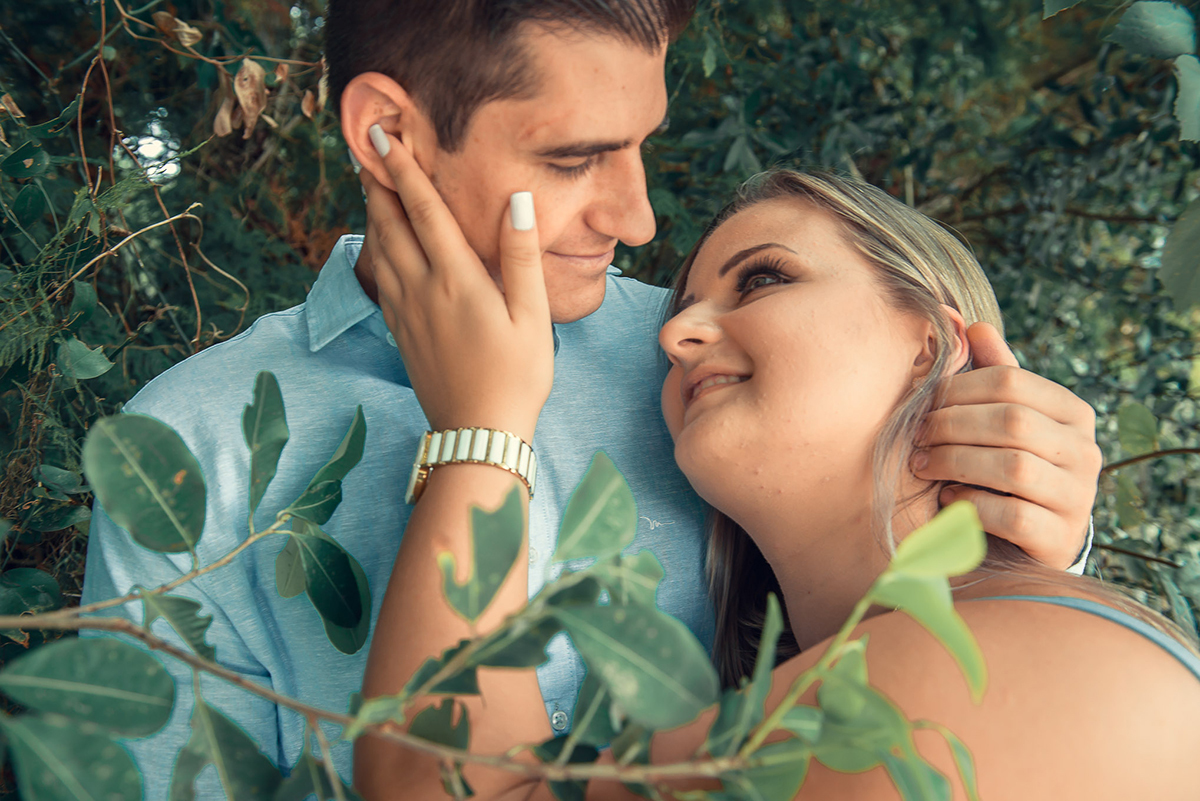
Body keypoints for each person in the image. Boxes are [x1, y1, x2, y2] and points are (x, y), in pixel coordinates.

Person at [81, 2, 1099, 797]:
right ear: (388, 133)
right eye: (573, 158)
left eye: (643, 143)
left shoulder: (702, 377)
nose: (640, 216)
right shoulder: (190, 438)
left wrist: (1022, 521)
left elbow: (902, 625)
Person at [352, 158, 1200, 799]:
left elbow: (460, 786)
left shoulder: (997, 649)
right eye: (681, 310)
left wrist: (483, 429)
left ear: (927, 341)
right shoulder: (897, 656)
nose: (678, 330)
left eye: (763, 277)